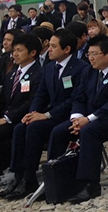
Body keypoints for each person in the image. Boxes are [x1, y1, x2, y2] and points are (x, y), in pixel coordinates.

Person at [48, 36, 108, 203]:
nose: (90, 58)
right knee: (60, 130)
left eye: (94, 54)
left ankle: (89, 184)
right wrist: (77, 117)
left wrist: (88, 119)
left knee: (89, 131)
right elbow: (79, 97)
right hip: (90, 118)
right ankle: (57, 180)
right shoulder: (89, 71)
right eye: (89, 54)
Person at [1, 30, 88, 199]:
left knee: (35, 128)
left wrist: (47, 115)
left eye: (54, 46)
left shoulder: (80, 68)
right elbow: (41, 95)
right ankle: (19, 175)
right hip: (50, 113)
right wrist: (32, 113)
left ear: (66, 49)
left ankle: (37, 178)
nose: (49, 49)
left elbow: (74, 99)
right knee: (21, 128)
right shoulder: (49, 68)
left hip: (68, 115)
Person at [0, 34, 43, 173]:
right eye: (14, 50)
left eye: (19, 50)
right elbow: (3, 99)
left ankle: (12, 171)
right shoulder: (12, 74)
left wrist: (8, 118)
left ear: (32, 52)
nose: (15, 54)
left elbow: (31, 101)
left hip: (21, 117)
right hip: (6, 116)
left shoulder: (39, 74)